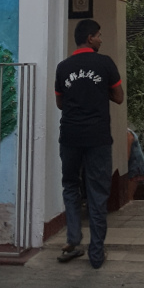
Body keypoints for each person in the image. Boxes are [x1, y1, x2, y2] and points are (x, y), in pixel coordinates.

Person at [54, 18, 124, 270]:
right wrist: (99, 91)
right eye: (99, 35)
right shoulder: (105, 63)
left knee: (70, 185)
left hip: (70, 137)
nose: (101, 39)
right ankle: (96, 254)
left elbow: (60, 103)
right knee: (97, 193)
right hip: (98, 138)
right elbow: (119, 97)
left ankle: (73, 238)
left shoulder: (63, 67)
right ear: (90, 38)